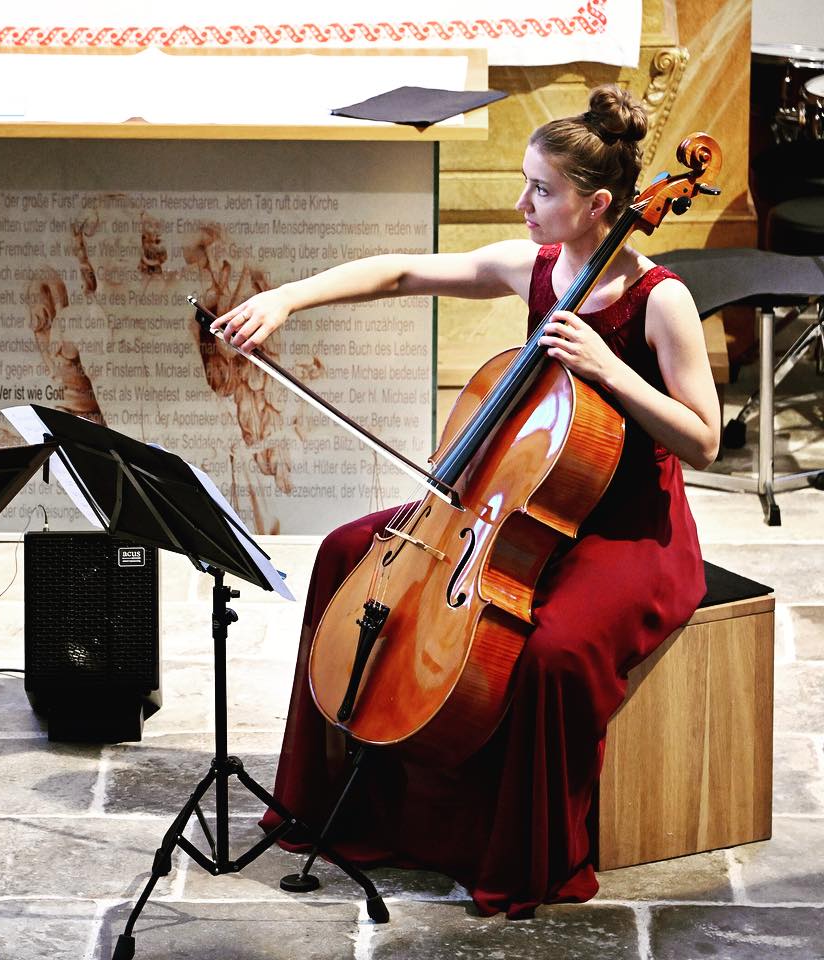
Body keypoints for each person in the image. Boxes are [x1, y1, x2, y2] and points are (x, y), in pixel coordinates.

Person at [211, 84, 720, 918]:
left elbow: (704, 440)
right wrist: (287, 298)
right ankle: (336, 796)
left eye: (541, 191)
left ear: (598, 204)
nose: (522, 204)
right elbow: (403, 271)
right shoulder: (536, 265)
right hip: (517, 501)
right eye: (524, 184)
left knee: (552, 654)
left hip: (628, 527)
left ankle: (525, 856)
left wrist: (609, 369)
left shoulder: (660, 297)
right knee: (347, 551)